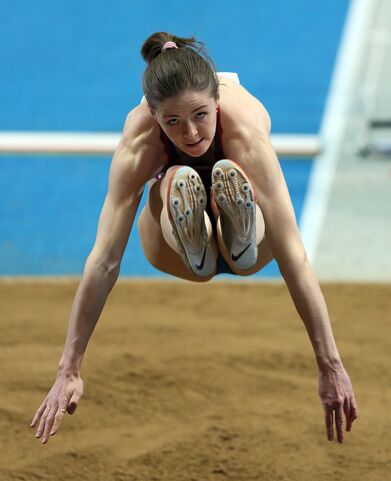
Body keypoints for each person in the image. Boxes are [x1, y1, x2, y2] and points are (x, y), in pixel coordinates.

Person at [30, 32, 358, 445]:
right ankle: (198, 236)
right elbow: (105, 259)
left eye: (201, 115)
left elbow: (293, 254)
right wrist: (69, 368)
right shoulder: (139, 142)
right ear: (152, 115)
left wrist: (330, 364)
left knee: (232, 182)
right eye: (172, 122)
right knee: (171, 182)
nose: (189, 133)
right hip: (171, 247)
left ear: (218, 101)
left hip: (254, 246)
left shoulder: (247, 135)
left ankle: (234, 229)